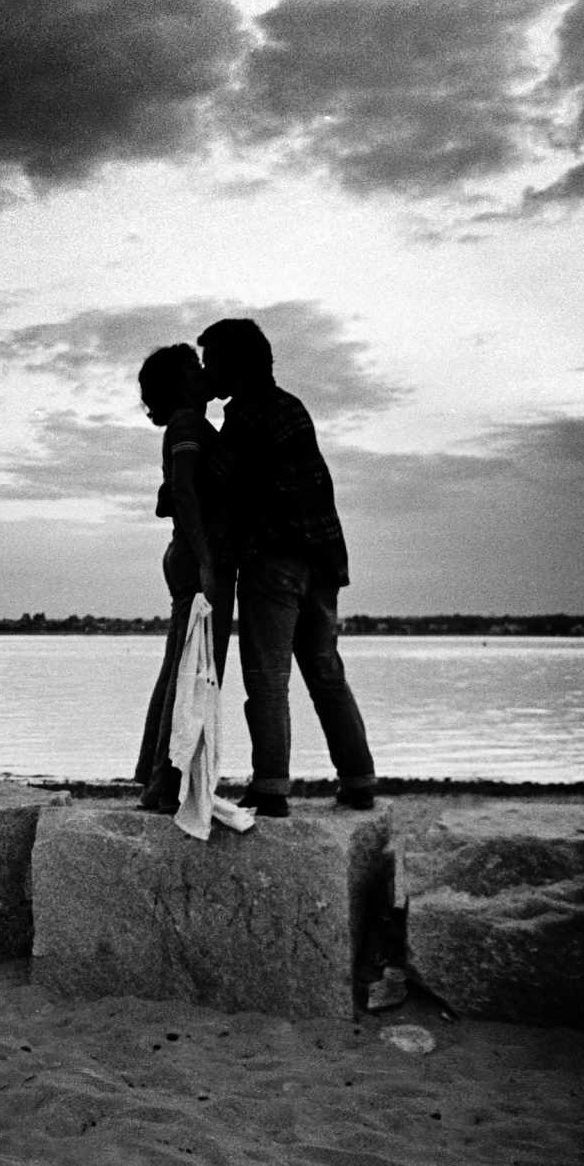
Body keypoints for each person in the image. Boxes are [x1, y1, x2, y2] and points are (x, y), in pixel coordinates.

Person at [197, 317, 376, 816]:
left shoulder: (248, 416)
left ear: (234, 367)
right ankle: (359, 779)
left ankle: (271, 786)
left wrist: (192, 428)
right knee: (325, 671)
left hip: (273, 562)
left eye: (212, 364)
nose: (208, 373)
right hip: (321, 561)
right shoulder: (291, 408)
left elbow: (219, 478)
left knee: (267, 677)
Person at [132, 345, 234, 813]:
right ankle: (164, 783)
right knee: (192, 669)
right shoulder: (189, 424)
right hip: (197, 560)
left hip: (190, 556)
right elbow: (184, 492)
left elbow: (172, 493)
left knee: (182, 665)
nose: (203, 373)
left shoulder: (187, 427)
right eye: (195, 368)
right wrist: (209, 560)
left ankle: (160, 779)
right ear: (179, 383)